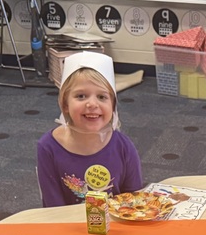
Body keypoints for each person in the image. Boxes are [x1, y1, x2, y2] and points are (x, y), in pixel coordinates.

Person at [37, 52, 143, 206]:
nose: (92, 104)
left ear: (113, 105)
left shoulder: (123, 147)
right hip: (67, 220)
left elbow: (135, 201)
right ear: (65, 104)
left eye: (102, 97)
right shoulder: (48, 147)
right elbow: (53, 207)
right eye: (81, 96)